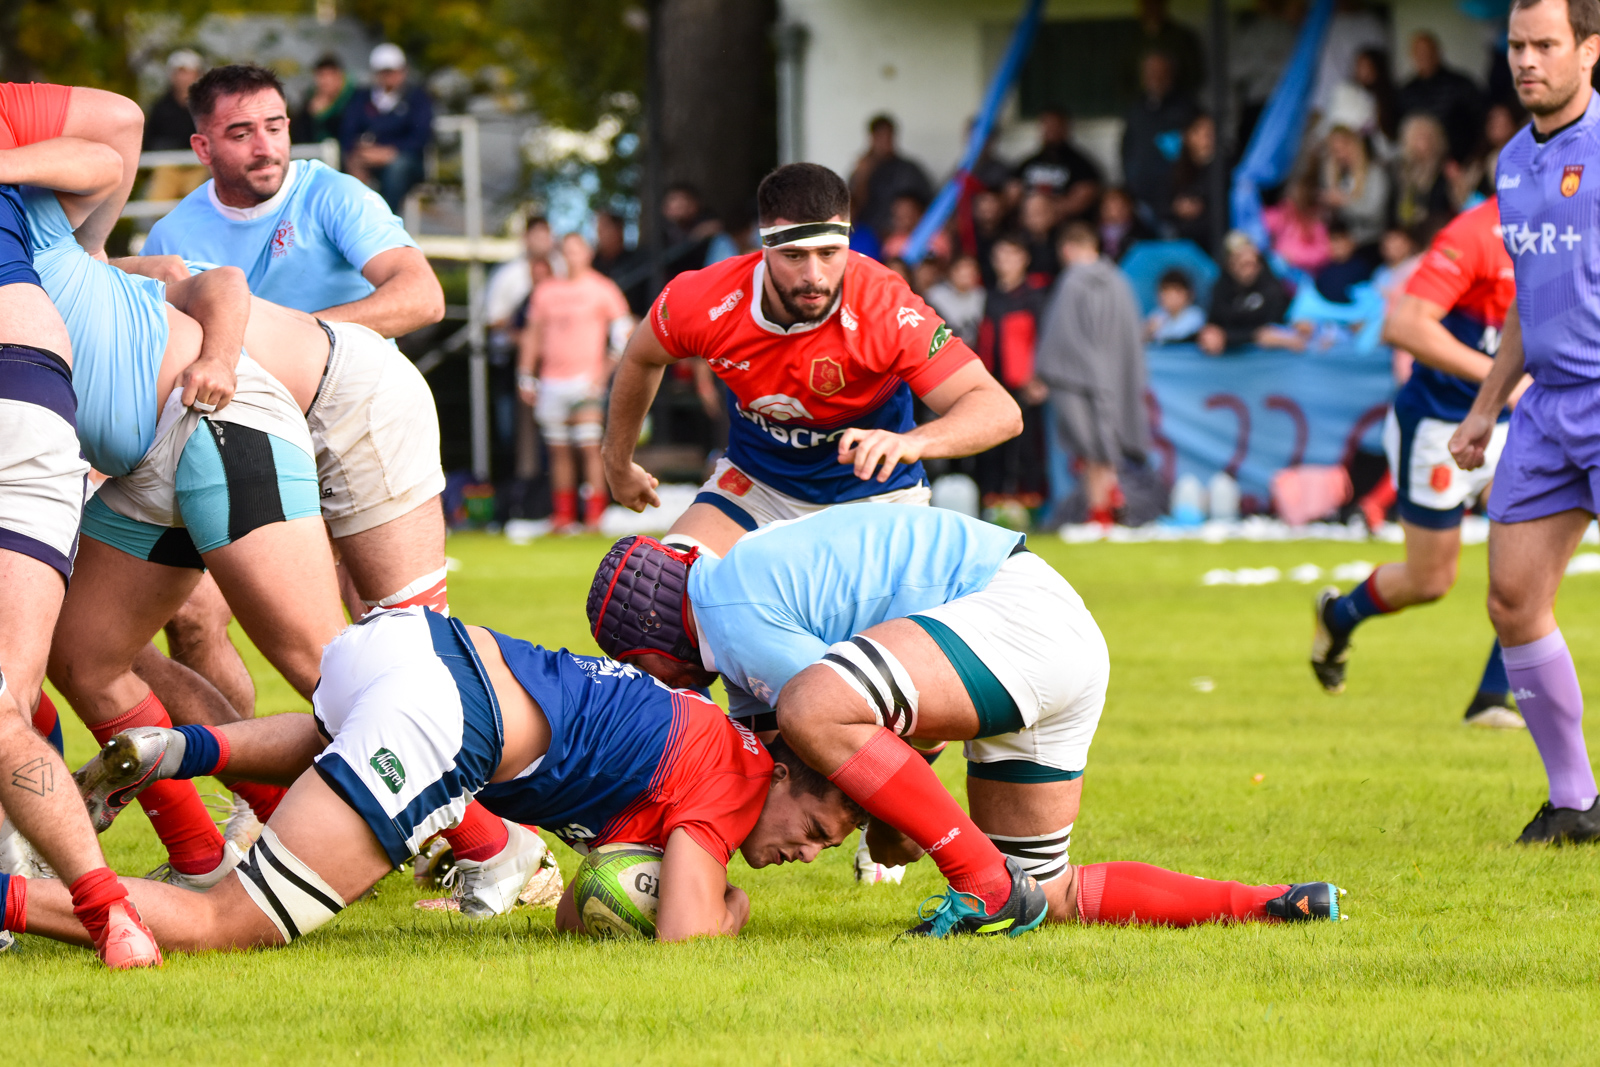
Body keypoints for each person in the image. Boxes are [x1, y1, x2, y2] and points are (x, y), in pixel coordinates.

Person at [587, 507, 1347, 937]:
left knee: (813, 707)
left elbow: (839, 729)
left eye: (643, 668)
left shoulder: (729, 616)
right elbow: (834, 759)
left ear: (653, 641)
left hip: (1011, 620)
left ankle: (981, 883)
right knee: (1045, 893)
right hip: (1047, 639)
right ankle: (1270, 903)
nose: (659, 686)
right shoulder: (742, 601)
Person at [137, 64, 528, 899]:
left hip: (358, 423)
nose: (265, 145)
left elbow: (420, 297)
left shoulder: (332, 194)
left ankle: (481, 833)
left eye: (276, 125)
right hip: (246, 437)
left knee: (393, 644)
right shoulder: (177, 230)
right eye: (241, 132)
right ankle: (264, 806)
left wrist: (291, 345)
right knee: (197, 621)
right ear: (201, 146)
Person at [10, 606, 865, 953]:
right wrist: (732, 908)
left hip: (406, 646)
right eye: (817, 830)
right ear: (786, 769)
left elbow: (577, 913)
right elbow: (686, 938)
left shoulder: (703, 739)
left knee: (339, 744)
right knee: (226, 921)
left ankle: (180, 750)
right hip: (447, 717)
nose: (806, 853)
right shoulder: (734, 786)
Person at [602, 162, 1021, 559]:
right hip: (756, 488)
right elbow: (640, 357)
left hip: (875, 495)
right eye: (794, 256)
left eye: (829, 252)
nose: (814, 275)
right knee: (665, 588)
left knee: (876, 612)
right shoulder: (704, 298)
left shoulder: (885, 305)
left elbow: (999, 409)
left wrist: (914, 443)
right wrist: (616, 461)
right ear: (764, 247)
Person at [0, 80, 163, 968]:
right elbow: (111, 141)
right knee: (8, 701)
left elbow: (111, 143)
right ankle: (109, 915)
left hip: (32, 390)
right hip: (33, 388)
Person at [1448, 0, 1600, 843]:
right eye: (1517, 45)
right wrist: (1485, 405)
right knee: (1512, 600)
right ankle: (1576, 804)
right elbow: (1527, 301)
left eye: (1546, 44)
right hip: (1545, 408)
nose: (1527, 60)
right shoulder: (1512, 162)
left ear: (1590, 49)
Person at [1313, 197, 1521, 730]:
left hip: (1519, 423)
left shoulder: (1573, 230)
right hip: (1441, 423)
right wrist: (1502, 381)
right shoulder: (1476, 232)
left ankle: (1491, 696)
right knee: (1430, 580)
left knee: (1531, 563)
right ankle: (1338, 617)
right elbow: (1403, 326)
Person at [518, 232, 633, 532]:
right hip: (551, 381)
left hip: (586, 379)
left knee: (589, 447)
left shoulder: (602, 288)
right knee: (558, 450)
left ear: (587, 253)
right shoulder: (546, 291)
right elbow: (533, 335)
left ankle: (594, 516)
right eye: (566, 251)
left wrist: (605, 372)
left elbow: (624, 331)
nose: (571, 256)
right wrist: (525, 374)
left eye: (576, 250)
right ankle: (564, 515)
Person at [1037, 222, 1149, 526]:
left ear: (1067, 249)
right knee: (1106, 448)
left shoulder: (1072, 281)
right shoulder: (1120, 282)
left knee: (1090, 451)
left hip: (1078, 379)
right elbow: (1131, 338)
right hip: (1114, 379)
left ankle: (1100, 511)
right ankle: (1109, 503)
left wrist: (1042, 373)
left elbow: (1060, 338)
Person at [975, 234, 1050, 503]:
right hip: (993, 381)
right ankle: (993, 500)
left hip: (1024, 381)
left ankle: (1031, 501)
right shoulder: (990, 297)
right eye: (1001, 255)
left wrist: (1039, 377)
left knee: (1027, 445)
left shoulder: (1035, 296)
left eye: (1012, 255)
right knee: (994, 445)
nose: (1005, 261)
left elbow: (1045, 339)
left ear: (1024, 259)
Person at [341, 44, 434, 214]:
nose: (391, 76)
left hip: (407, 160)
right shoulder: (362, 98)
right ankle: (356, 217)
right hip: (367, 157)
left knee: (397, 168)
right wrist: (360, 149)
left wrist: (390, 151)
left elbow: (421, 136)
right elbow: (347, 130)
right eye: (385, 72)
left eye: (394, 71)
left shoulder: (417, 98)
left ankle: (387, 219)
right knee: (352, 163)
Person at [1122, 51, 1198, 227]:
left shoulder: (1187, 108)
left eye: (1161, 72)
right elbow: (1127, 148)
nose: (1155, 78)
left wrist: (1191, 192)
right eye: (1150, 72)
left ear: (1171, 74)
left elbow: (1199, 155)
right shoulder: (1136, 109)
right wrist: (1131, 186)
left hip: (1178, 203)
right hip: (1141, 200)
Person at [1198, 231, 1303, 354]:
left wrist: (1280, 337)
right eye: (1242, 264)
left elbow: (1272, 330)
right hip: (1231, 356)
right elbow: (1214, 328)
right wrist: (1212, 336)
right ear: (1230, 265)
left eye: (1252, 264)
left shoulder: (1272, 288)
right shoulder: (1220, 288)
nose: (1249, 270)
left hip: (1267, 358)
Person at [1398, 32, 1487, 164]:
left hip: (1460, 162)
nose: (1425, 56)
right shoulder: (1406, 92)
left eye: (1428, 51)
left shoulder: (1461, 84)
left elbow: (1482, 120)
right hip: (1420, 166)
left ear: (1438, 52)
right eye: (1420, 52)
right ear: (1412, 56)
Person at [849, 115, 934, 243]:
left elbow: (929, 205)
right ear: (872, 138)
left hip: (905, 237)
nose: (884, 142)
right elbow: (852, 207)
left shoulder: (908, 169)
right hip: (869, 236)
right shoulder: (862, 169)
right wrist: (862, 178)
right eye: (880, 136)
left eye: (887, 136)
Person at [1015, 107, 1103, 221]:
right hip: (1028, 222)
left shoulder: (1082, 165)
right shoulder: (1028, 164)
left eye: (1055, 125)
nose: (1051, 130)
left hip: (1066, 224)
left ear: (1066, 128)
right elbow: (1013, 193)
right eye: (1047, 125)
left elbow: (1083, 196)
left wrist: (1046, 211)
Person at [143, 50, 208, 203]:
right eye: (180, 72)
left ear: (198, 74)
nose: (183, 77)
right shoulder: (160, 107)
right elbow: (149, 140)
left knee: (198, 203)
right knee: (156, 203)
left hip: (200, 166)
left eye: (188, 72)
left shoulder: (209, 106)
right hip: (167, 166)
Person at [1321, 124, 1390, 249]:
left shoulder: (1374, 173)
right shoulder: (1333, 174)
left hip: (1370, 242)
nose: (1341, 155)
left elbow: (1376, 214)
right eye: (1335, 151)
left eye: (1344, 148)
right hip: (1338, 241)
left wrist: (1344, 202)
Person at [1166, 112, 1222, 252]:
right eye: (1199, 131)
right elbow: (1162, 205)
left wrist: (1202, 207)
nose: (1206, 138)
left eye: (1210, 132)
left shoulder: (1226, 167)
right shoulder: (1175, 169)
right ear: (1187, 136)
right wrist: (1178, 208)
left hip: (1214, 241)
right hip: (1183, 243)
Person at [1393, 113, 1458, 230]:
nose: (1424, 142)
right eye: (1418, 137)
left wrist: (1459, 184)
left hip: (1438, 229)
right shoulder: (1400, 170)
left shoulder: (1446, 170)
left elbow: (1463, 204)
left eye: (1428, 137)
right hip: (1405, 229)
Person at [923, 254, 986, 348]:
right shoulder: (934, 297)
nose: (966, 277)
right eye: (962, 272)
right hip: (946, 349)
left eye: (971, 273)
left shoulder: (982, 296)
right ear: (952, 272)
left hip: (977, 350)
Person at [294, 53, 355, 145]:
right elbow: (300, 135)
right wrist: (310, 115)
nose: (324, 82)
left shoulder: (354, 99)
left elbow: (347, 131)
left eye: (328, 76)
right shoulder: (310, 100)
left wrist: (324, 114)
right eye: (320, 76)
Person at [1314, 221, 1375, 302]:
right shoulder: (1323, 270)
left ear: (1351, 241)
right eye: (1333, 241)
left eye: (1340, 240)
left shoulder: (1362, 268)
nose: (1337, 246)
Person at [1145, 268, 1204, 343]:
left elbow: (1180, 337)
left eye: (1176, 291)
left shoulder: (1195, 315)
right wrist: (1148, 332)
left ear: (1188, 294)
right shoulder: (1157, 314)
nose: (1169, 296)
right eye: (1165, 291)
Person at [1097, 186, 1154, 261]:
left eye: (1120, 207)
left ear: (1129, 206)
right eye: (1109, 207)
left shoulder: (1141, 234)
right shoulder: (1092, 232)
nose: (1115, 211)